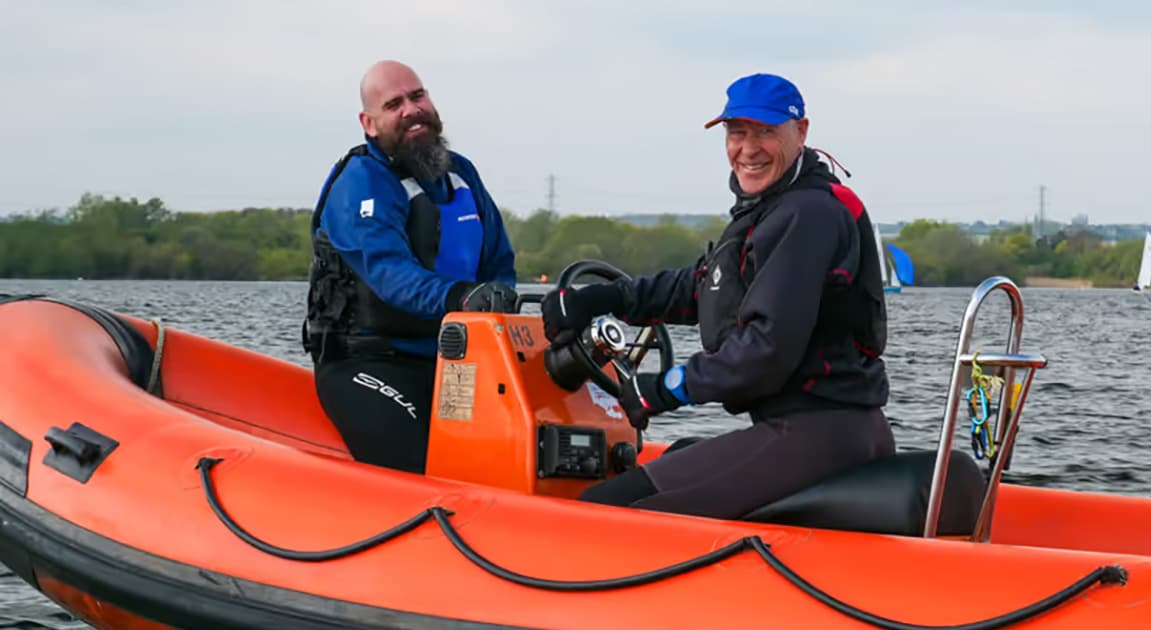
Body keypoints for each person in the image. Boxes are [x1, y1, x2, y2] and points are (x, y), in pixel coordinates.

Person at [542, 73, 895, 520]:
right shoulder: (771, 208)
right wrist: (607, 298)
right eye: (737, 132)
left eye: (766, 132)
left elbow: (766, 349)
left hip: (820, 430)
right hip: (815, 429)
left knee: (605, 509)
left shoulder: (808, 214)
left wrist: (665, 388)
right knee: (672, 459)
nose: (749, 148)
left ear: (801, 131)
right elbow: (705, 286)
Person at [303, 60, 517, 473]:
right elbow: (389, 273)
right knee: (423, 469)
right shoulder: (361, 182)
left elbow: (499, 266)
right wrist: (459, 297)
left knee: (525, 453)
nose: (411, 109)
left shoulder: (463, 173)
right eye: (394, 103)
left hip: (456, 365)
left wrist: (499, 302)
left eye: (418, 96)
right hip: (367, 362)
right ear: (369, 123)